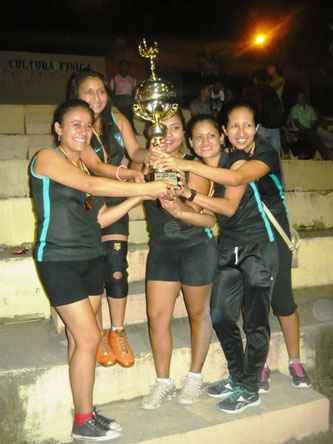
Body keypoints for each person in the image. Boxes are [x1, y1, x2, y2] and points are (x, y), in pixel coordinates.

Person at [30, 100, 168, 441]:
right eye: (74, 124)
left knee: (82, 341)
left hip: (92, 257)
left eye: (87, 125)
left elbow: (101, 218)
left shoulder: (87, 168)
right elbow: (91, 187)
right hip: (58, 259)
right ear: (58, 128)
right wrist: (144, 188)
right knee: (90, 337)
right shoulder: (47, 158)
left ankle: (85, 411)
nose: (82, 130)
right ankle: (82, 421)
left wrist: (140, 198)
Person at [155, 100, 312, 394]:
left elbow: (234, 186)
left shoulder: (255, 156)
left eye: (247, 125)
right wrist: (177, 207)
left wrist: (183, 169)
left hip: (269, 233)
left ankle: (294, 360)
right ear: (227, 129)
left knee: (280, 301)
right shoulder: (213, 165)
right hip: (234, 240)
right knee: (241, 307)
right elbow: (209, 211)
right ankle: (255, 367)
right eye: (234, 125)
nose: (241, 131)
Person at [67, 70, 148, 369]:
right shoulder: (77, 127)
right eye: (89, 92)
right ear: (76, 95)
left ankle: (118, 331)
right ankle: (98, 333)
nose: (97, 97)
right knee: (94, 268)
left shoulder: (118, 119)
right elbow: (97, 167)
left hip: (115, 197)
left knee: (116, 267)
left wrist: (148, 154)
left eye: (101, 91)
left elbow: (135, 149)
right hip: (87, 199)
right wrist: (129, 176)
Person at [141, 111, 218, 410]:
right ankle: (163, 381)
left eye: (175, 127)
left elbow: (206, 218)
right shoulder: (143, 163)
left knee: (198, 315)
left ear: (184, 134)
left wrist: (180, 204)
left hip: (195, 248)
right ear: (151, 132)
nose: (168, 134)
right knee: (157, 317)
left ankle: (195, 376)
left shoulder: (194, 167)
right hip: (161, 250)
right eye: (162, 128)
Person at [243, 69, 283, 156]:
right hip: (274, 126)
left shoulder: (250, 90)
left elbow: (247, 109)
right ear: (266, 80)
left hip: (260, 126)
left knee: (260, 157)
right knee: (275, 158)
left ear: (255, 79)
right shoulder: (271, 90)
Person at [289, 91, 329, 160]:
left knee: (316, 136)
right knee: (313, 137)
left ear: (306, 98)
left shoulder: (310, 109)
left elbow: (313, 122)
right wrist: (307, 130)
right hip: (299, 131)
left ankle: (325, 156)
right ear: (297, 99)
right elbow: (296, 123)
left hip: (309, 131)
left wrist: (312, 130)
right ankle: (325, 155)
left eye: (303, 97)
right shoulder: (294, 109)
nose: (302, 99)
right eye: (300, 97)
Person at [110, 59, 138, 133]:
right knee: (127, 108)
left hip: (129, 99)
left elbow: (135, 92)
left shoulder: (132, 79)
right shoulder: (115, 78)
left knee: (129, 106)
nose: (124, 67)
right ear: (120, 67)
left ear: (128, 67)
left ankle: (127, 129)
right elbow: (110, 91)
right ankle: (131, 128)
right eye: (122, 66)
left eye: (126, 66)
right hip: (119, 99)